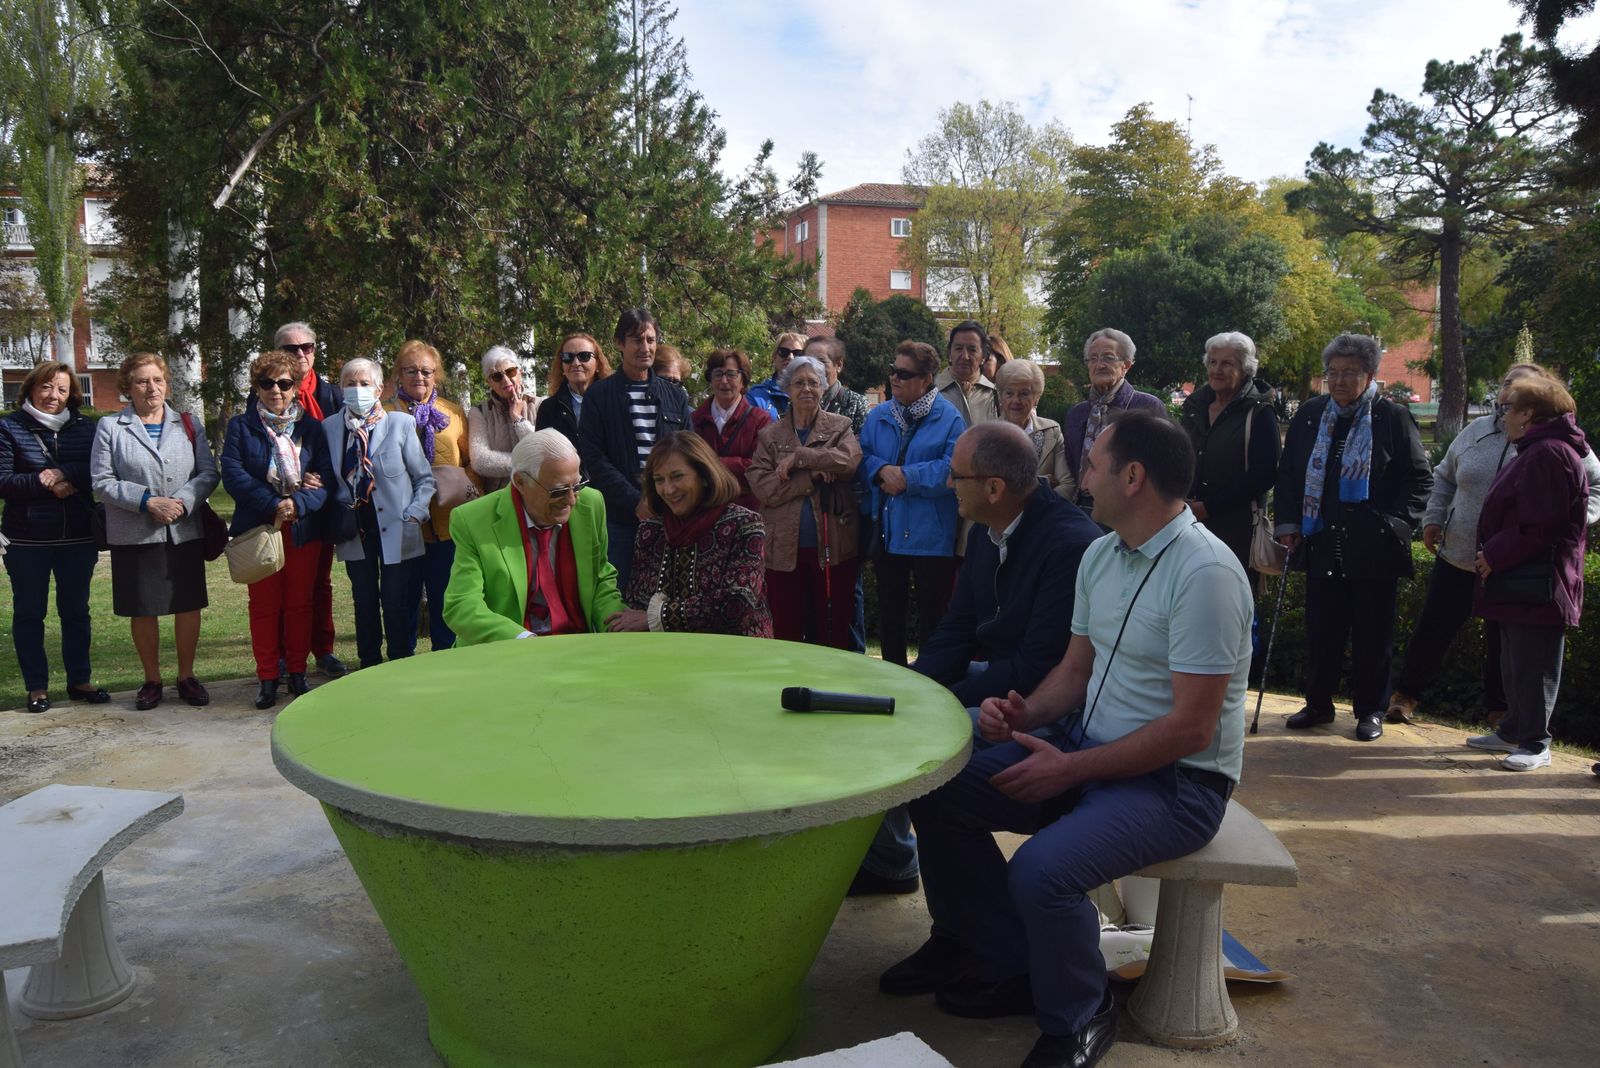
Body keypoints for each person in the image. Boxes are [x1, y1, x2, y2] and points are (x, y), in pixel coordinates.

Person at [881, 410, 1252, 1068]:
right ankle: (1001, 956)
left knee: (1042, 872)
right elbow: (1074, 672)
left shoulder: (1206, 574)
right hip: (1089, 753)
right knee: (935, 789)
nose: (1078, 477)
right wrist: (1022, 714)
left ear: (1132, 477)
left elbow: (1192, 728)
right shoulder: (1104, 554)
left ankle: (1079, 1013)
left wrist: (1072, 767)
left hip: (1178, 785)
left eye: (1092, 464)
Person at [1387, 363, 1600, 726]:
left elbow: (1591, 487)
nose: (1506, 392)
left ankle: (1502, 716)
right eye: (1505, 383)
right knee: (1433, 630)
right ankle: (1404, 697)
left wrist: (1575, 520)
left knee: (1506, 643)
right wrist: (1435, 517)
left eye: (1516, 388)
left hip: (1514, 563)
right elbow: (1444, 477)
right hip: (1459, 555)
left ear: (1533, 400)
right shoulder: (1476, 431)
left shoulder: (1555, 444)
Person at [1273, 333, 1431, 742]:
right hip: (1322, 539)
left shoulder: (1391, 417)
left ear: (1370, 374)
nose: (1340, 381)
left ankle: (1370, 710)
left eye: (1351, 373)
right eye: (1333, 373)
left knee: (1372, 634)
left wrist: (1394, 523)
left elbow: (1419, 479)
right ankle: (1318, 704)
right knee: (1322, 629)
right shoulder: (1311, 414)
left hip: (1373, 546)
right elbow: (1289, 475)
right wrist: (1288, 523)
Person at [914, 420, 1103, 714]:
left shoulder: (1069, 548)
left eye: (955, 475)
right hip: (1000, 678)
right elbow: (958, 628)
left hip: (1039, 707)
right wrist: (914, 687)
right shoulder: (984, 529)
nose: (949, 484)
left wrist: (941, 703)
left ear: (993, 488)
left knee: (925, 735)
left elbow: (1036, 667)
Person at [1465, 374, 1589, 771]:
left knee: (1534, 661)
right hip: (1519, 578)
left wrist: (1495, 555)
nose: (1501, 416)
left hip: (1538, 580)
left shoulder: (1548, 453)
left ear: (1528, 413)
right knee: (1514, 658)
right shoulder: (1535, 448)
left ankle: (1536, 742)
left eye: (1506, 408)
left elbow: (1542, 525)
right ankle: (1514, 728)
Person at [91, 352, 220, 711]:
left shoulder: (189, 424)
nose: (152, 388)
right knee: (142, 608)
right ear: (127, 388)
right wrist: (147, 501)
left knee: (188, 604)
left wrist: (180, 501)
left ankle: (187, 676)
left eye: (158, 380)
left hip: (183, 529)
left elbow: (208, 473)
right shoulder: (110, 427)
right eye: (142, 381)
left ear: (167, 384)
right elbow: (101, 482)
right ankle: (151, 679)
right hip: (135, 532)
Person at [221, 351, 335, 709]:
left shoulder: (311, 429)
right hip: (260, 528)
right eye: (267, 383)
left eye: (284, 384)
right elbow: (234, 475)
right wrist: (276, 504)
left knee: (300, 604)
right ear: (256, 387)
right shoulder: (242, 427)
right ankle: (268, 677)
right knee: (265, 606)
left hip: (302, 528)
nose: (276, 390)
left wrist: (297, 505)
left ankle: (298, 674)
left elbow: (326, 479)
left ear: (295, 388)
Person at [443, 429, 625, 645]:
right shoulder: (472, 519)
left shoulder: (591, 504)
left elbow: (600, 580)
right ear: (520, 482)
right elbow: (462, 605)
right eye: (558, 491)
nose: (572, 500)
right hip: (508, 649)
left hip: (576, 644)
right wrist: (523, 640)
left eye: (577, 486)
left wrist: (616, 626)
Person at [1, 360, 108, 713]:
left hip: (77, 537)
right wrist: (42, 482)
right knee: (30, 613)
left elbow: (98, 471)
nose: (54, 395)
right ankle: (37, 687)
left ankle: (80, 680)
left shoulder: (86, 428)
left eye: (62, 389)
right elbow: (4, 481)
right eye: (47, 387)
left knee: (76, 612)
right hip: (27, 541)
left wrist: (65, 475)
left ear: (72, 394)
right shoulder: (9, 428)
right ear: (31, 388)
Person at [323, 358, 435, 669]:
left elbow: (424, 479)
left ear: (378, 388)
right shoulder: (330, 428)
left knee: (396, 601)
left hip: (397, 528)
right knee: (365, 601)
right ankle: (368, 665)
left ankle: (399, 664)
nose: (356, 390)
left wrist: (415, 513)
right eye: (349, 383)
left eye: (363, 384)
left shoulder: (400, 424)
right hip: (354, 529)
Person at [858, 341, 964, 667]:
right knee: (891, 615)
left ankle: (932, 680)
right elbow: (860, 457)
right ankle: (891, 675)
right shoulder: (878, 416)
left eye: (904, 373)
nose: (894, 378)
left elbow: (953, 468)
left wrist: (906, 477)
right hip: (888, 534)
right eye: (892, 371)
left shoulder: (950, 418)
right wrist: (880, 471)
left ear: (926, 379)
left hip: (931, 535)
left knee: (933, 615)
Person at [606, 431, 772, 637]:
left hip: (736, 654)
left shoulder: (744, 525)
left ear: (704, 476)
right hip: (667, 655)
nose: (668, 490)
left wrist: (658, 617)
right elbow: (636, 602)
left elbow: (738, 602)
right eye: (659, 480)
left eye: (677, 476)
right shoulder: (651, 531)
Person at [748, 355, 861, 648]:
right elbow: (764, 487)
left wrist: (801, 458)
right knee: (787, 632)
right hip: (783, 553)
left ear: (823, 387)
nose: (807, 389)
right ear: (788, 389)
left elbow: (849, 461)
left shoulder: (840, 427)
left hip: (833, 550)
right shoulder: (770, 436)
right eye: (799, 383)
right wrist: (810, 478)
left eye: (814, 382)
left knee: (831, 632)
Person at [576, 309, 691, 590]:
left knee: (671, 595)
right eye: (636, 340)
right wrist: (635, 501)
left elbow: (691, 454)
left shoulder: (675, 395)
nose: (645, 347)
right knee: (618, 594)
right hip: (620, 520)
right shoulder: (599, 396)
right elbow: (593, 457)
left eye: (650, 340)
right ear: (619, 343)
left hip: (672, 515)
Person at [386, 338, 478, 652]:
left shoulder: (452, 413)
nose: (419, 378)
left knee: (446, 598)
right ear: (398, 373)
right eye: (411, 371)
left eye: (427, 371)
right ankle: (401, 662)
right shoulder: (384, 414)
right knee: (401, 603)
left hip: (446, 525)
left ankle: (445, 660)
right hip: (403, 526)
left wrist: (457, 485)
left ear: (436, 374)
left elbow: (469, 463)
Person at [275, 321, 347, 678]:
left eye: (308, 347)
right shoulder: (267, 394)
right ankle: (285, 653)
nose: (302, 354)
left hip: (325, 504)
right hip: (283, 507)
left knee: (320, 583)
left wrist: (319, 478)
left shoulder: (334, 396)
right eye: (292, 349)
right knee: (283, 585)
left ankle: (324, 648)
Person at [1178, 332, 1279, 575]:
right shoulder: (1195, 408)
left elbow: (1264, 474)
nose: (1217, 370)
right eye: (1213, 362)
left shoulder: (1260, 413)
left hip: (1235, 529)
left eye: (1227, 363)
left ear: (1245, 369)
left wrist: (1209, 506)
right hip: (1187, 522)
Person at [1063, 328, 1166, 511]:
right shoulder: (1076, 414)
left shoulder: (1146, 407)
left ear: (1126, 365)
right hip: (1081, 508)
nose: (1099, 365)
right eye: (1092, 358)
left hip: (1129, 510)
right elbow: (1070, 466)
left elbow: (1160, 466)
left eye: (1108, 358)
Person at [690, 347, 771, 511]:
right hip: (704, 511)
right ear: (710, 379)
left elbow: (759, 468)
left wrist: (711, 463)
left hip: (745, 512)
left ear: (743, 380)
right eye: (718, 374)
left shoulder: (760, 420)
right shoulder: (695, 419)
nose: (724, 381)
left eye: (731, 374)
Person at [995, 360, 1074, 499]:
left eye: (1024, 393)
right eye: (1009, 393)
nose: (1016, 400)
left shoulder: (1052, 431)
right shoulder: (987, 434)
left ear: (1036, 398)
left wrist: (1035, 508)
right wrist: (1042, 483)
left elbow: (1067, 485)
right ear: (1001, 397)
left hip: (1043, 518)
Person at [468, 345, 540, 493]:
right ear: (489, 382)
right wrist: (528, 465)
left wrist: (517, 418)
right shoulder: (479, 412)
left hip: (537, 491)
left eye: (510, 372)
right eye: (497, 376)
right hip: (499, 495)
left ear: (520, 372)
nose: (506, 380)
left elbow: (543, 451)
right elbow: (480, 461)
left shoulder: (540, 405)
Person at [534, 332, 611, 453]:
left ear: (598, 364)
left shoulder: (614, 402)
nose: (575, 363)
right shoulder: (549, 409)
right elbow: (542, 455)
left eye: (584, 356)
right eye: (568, 357)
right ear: (562, 366)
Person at [805, 335, 872, 436]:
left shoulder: (856, 404)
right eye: (809, 361)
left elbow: (862, 446)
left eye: (821, 361)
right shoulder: (797, 401)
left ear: (839, 365)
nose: (815, 367)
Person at [936, 319, 999, 427]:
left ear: (983, 356)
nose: (965, 356)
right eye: (958, 348)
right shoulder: (931, 391)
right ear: (949, 353)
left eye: (972, 350)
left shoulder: (996, 395)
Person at [746, 332, 806, 418]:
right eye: (784, 352)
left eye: (798, 353)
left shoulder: (814, 394)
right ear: (774, 357)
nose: (790, 357)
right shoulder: (756, 396)